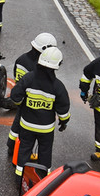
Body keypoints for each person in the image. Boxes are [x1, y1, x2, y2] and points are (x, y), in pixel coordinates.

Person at [9, 47, 71, 176]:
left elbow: (15, 96)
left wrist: (23, 105)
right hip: (46, 129)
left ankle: (20, 176)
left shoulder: (28, 78)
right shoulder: (58, 86)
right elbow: (63, 108)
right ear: (57, 65)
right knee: (45, 152)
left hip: (26, 125)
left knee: (24, 150)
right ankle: (43, 178)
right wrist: (64, 122)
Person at [7, 33, 57, 156]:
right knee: (28, 130)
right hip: (32, 102)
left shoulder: (21, 60)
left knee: (17, 124)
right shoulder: (40, 67)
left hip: (21, 98)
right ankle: (24, 153)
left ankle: (11, 147)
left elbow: (17, 80)